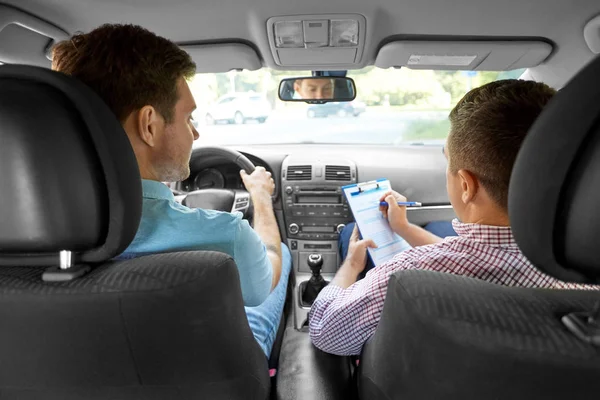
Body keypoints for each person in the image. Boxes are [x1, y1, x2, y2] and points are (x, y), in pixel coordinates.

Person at [51, 23, 292, 359]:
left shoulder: (26, 239)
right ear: (149, 125)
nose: (195, 134)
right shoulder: (226, 235)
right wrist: (261, 200)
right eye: (188, 117)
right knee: (276, 253)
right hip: (202, 374)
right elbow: (265, 283)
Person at [309, 79, 599, 356]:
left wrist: (349, 266)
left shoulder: (408, 276)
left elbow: (324, 329)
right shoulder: (587, 267)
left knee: (351, 234)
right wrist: (405, 228)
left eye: (448, 160)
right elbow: (486, 257)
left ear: (465, 185)